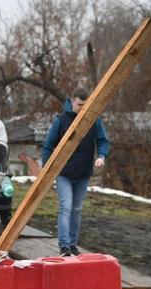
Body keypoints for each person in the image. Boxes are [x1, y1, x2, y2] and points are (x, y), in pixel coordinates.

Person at [40, 87, 110, 257]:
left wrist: (101, 156)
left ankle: (72, 243)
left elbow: (103, 141)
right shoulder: (61, 120)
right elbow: (48, 147)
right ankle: (64, 246)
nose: (82, 109)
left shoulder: (94, 120)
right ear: (72, 101)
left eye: (86, 106)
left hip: (83, 173)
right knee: (66, 207)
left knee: (77, 209)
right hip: (64, 172)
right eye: (80, 105)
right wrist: (46, 171)